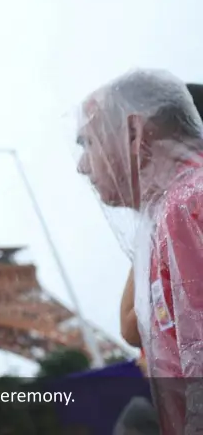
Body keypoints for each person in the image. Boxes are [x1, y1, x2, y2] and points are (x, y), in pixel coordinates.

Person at [76, 70, 203, 435]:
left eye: (87, 142)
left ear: (133, 133)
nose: (81, 165)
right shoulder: (174, 209)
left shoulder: (185, 207)